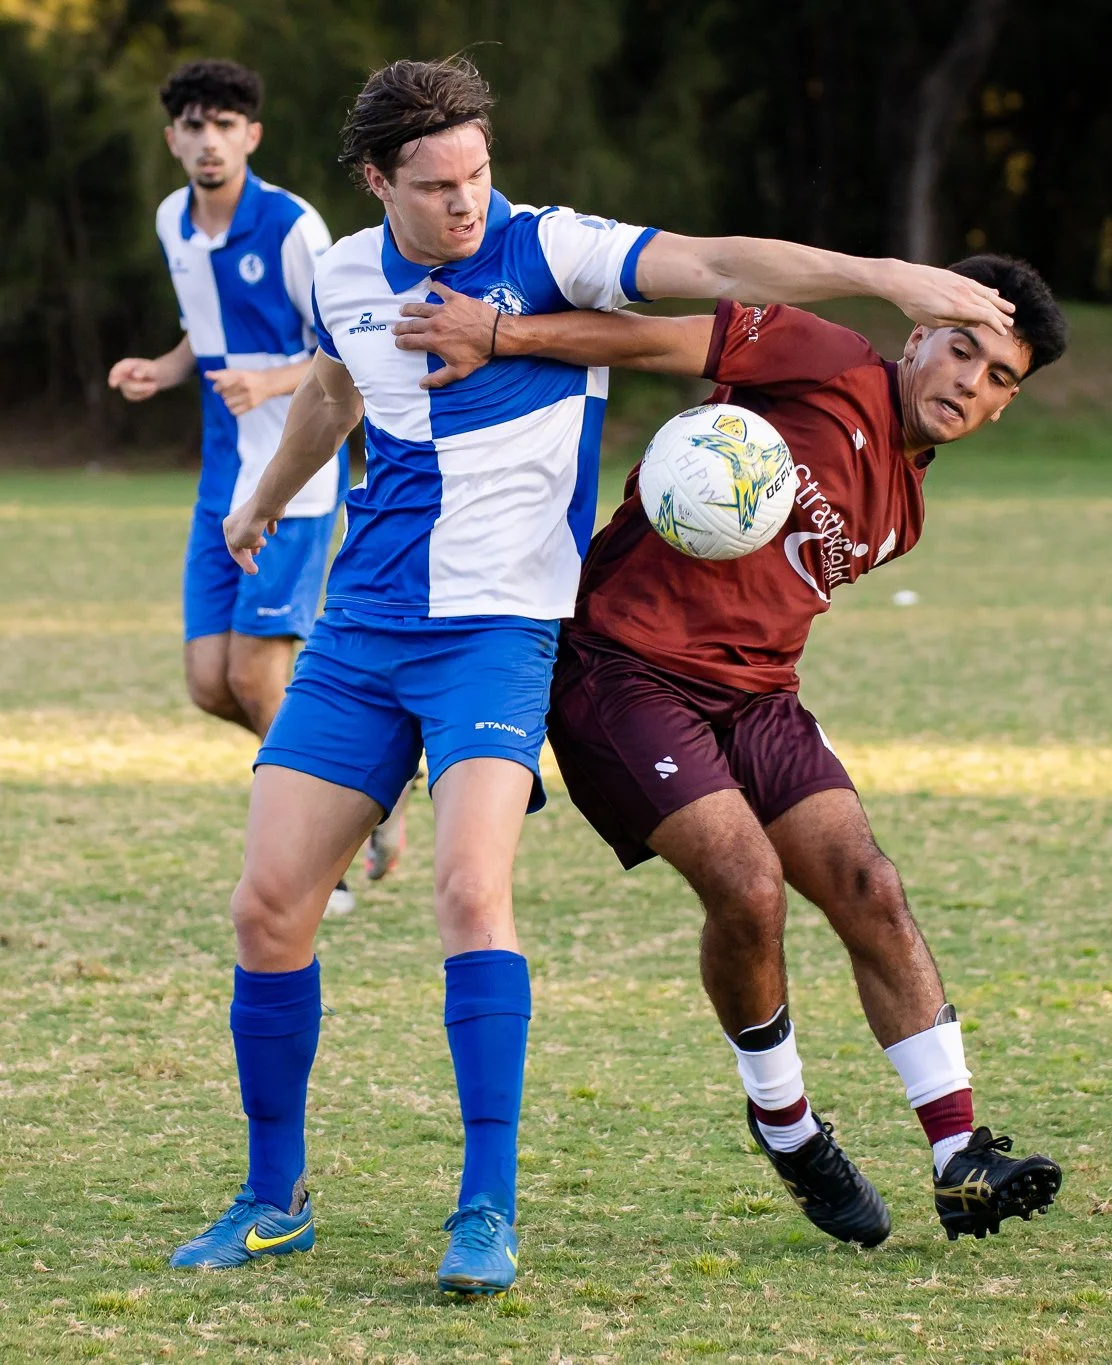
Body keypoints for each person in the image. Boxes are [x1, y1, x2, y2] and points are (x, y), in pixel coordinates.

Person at [166, 55, 1016, 1294]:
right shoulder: (340, 269)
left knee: (469, 897)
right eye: (436, 185)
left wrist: (882, 276)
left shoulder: (551, 249)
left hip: (499, 633)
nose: (466, 204)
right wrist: (265, 498)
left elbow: (722, 267)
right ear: (375, 182)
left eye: (478, 173)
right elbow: (342, 384)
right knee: (265, 910)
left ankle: (484, 1212)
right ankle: (270, 1197)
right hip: (363, 630)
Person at [390, 254, 1068, 1245]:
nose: (969, 381)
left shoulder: (905, 515)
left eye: (997, 376)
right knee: (747, 885)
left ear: (1005, 405)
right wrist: (500, 335)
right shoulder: (823, 357)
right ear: (916, 335)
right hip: (620, 669)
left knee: (867, 883)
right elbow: (653, 339)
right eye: (960, 349)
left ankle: (957, 1153)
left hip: (757, 694)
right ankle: (786, 1124)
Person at [104, 59, 362, 913]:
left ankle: (317, 857)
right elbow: (202, 332)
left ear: (251, 135)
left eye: (225, 125)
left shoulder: (293, 227)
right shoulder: (173, 221)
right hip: (220, 483)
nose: (208, 141)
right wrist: (164, 368)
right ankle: (364, 784)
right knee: (208, 685)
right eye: (193, 125)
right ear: (173, 138)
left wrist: (271, 383)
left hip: (293, 481)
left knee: (256, 678)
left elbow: (344, 350)